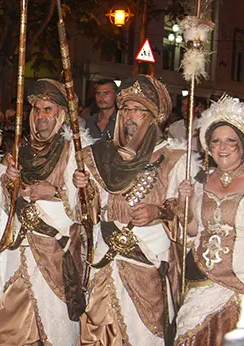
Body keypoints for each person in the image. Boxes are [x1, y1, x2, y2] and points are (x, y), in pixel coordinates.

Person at [74, 75, 196, 345]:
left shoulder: (174, 159)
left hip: (147, 259)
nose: (130, 115)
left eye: (139, 110)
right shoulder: (101, 156)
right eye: (126, 108)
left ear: (153, 117)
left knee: (142, 332)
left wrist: (158, 212)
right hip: (106, 258)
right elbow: (89, 212)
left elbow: (187, 219)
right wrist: (84, 189)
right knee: (99, 329)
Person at [0, 79, 87, 345]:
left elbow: (87, 205)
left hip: (55, 248)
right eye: (38, 109)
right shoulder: (21, 149)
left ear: (61, 114)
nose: (41, 116)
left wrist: (55, 192)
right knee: (14, 315)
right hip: (20, 244)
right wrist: (9, 180)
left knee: (51, 314)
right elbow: (1, 202)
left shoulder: (73, 150)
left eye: (48, 109)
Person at [175, 95, 244, 345]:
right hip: (201, 279)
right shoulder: (202, 179)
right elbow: (193, 231)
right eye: (215, 141)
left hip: (238, 285)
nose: (222, 148)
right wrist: (186, 205)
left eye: (230, 141)